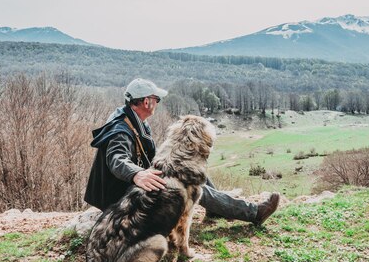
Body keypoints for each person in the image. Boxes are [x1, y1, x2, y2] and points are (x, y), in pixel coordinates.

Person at [84, 78, 280, 226]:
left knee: (190, 168)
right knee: (186, 184)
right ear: (146, 102)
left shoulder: (133, 119)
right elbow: (116, 159)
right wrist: (136, 174)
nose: (157, 102)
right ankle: (254, 213)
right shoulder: (121, 129)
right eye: (156, 99)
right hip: (122, 196)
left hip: (134, 182)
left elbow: (145, 153)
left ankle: (217, 209)